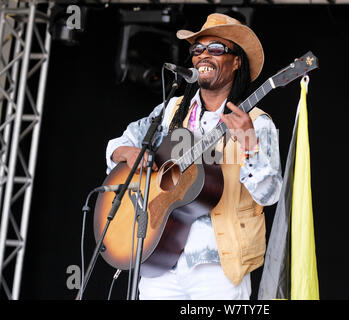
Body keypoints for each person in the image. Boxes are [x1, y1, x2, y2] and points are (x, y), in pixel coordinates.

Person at [105, 13, 282, 300]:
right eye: (198, 49)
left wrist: (249, 144)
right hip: (159, 261)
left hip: (217, 268)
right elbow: (120, 144)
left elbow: (270, 194)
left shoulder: (257, 123)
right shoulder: (174, 109)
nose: (203, 56)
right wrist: (128, 152)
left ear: (236, 61)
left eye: (215, 49)